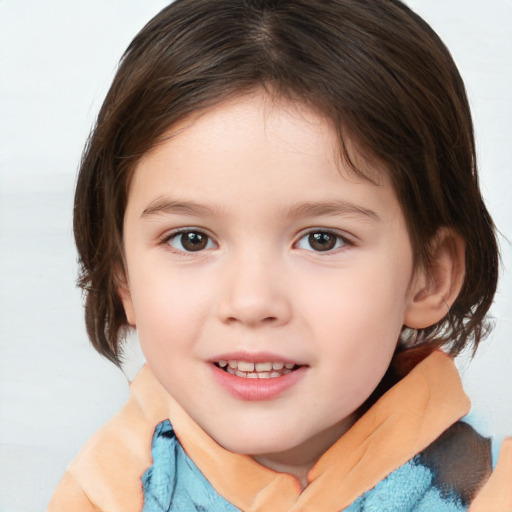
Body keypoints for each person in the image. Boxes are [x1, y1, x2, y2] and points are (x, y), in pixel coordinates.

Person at [47, 0, 512, 510]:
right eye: (192, 239)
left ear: (429, 277)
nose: (250, 302)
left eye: (321, 239)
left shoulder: (491, 492)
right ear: (125, 279)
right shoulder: (105, 492)